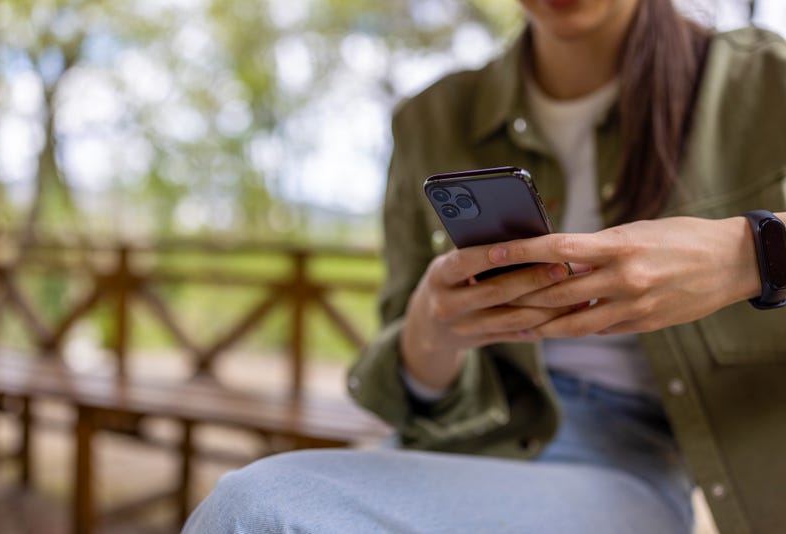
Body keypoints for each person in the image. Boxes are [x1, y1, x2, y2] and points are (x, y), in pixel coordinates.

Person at [183, 0, 786, 532]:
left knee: (258, 512)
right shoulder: (432, 118)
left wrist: (752, 253)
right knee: (254, 506)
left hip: (634, 462)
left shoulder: (763, 83)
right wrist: (430, 329)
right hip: (463, 442)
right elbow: (412, 380)